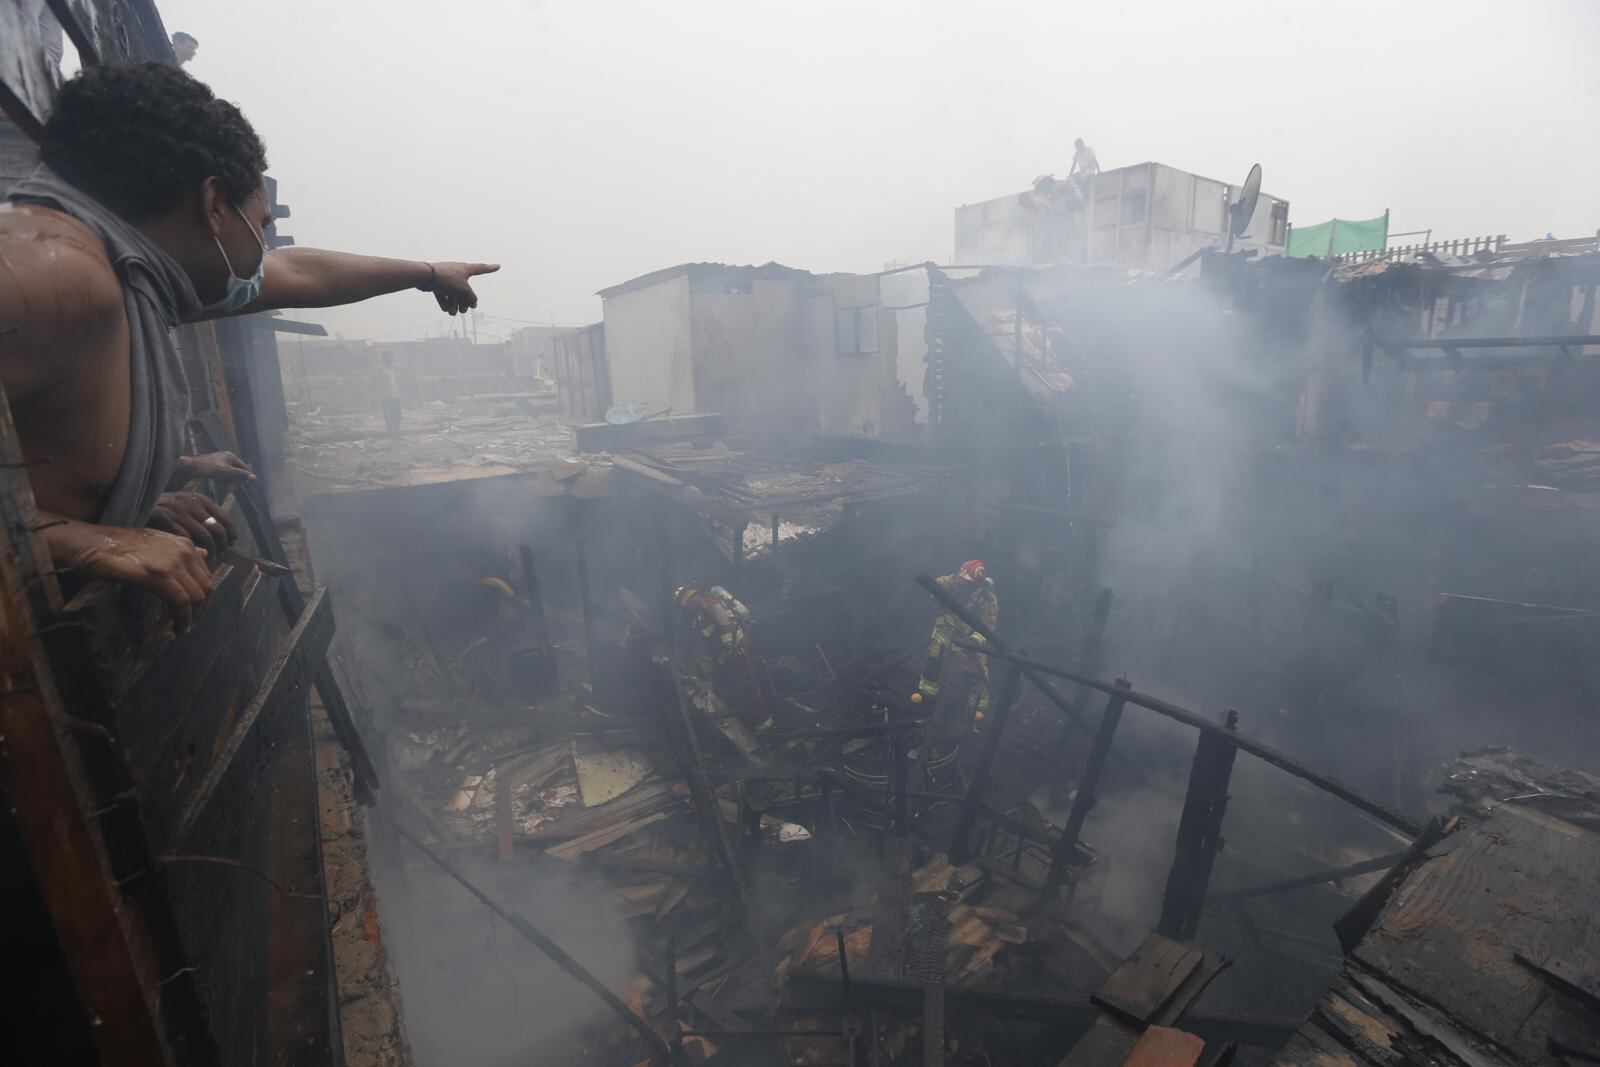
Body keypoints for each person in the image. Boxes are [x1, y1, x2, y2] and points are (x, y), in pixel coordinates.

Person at [0, 63, 498, 630]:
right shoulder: (52, 272)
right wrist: (84, 541)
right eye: (260, 225)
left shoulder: (132, 269)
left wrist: (429, 272)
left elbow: (300, 274)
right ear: (215, 206)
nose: (264, 251)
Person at [915, 560, 998, 729]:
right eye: (963, 578)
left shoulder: (987, 599)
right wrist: (935, 591)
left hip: (968, 642)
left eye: (967, 581)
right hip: (945, 631)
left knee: (974, 674)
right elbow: (938, 583)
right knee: (933, 662)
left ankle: (978, 707)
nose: (963, 582)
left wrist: (975, 640)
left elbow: (988, 625)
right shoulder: (954, 580)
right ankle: (927, 693)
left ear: (977, 582)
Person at [675, 584, 766, 717]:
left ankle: (764, 721)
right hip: (731, 652)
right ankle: (754, 718)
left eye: (686, 606)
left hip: (737, 648)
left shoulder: (709, 604)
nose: (687, 610)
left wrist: (729, 651)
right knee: (740, 686)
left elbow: (725, 628)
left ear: (690, 600)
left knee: (748, 686)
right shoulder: (700, 614)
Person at [376, 352, 402, 432]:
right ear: (385, 359)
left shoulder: (391, 368)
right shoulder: (380, 369)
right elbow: (375, 382)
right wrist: (381, 392)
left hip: (395, 395)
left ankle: (397, 433)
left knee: (397, 415)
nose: (393, 359)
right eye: (391, 357)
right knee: (389, 416)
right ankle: (390, 433)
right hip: (387, 397)